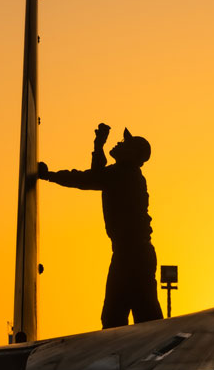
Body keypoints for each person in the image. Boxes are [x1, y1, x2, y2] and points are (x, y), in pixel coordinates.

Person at [38, 123, 164, 328]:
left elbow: (89, 178)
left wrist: (49, 175)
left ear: (132, 154)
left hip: (132, 255)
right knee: (127, 318)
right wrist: (98, 146)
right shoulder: (123, 174)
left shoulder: (124, 175)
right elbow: (97, 175)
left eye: (125, 143)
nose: (119, 143)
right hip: (131, 254)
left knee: (131, 320)